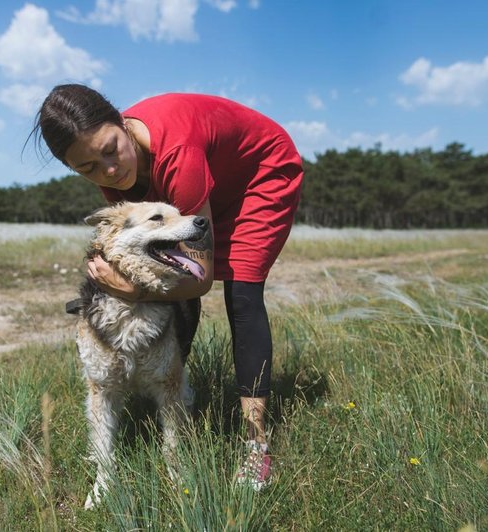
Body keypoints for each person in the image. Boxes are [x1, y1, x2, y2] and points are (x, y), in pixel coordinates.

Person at [31, 84, 303, 490]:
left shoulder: (177, 153)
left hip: (260, 172)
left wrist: (132, 292)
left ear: (122, 123)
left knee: (242, 294)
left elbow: (201, 279)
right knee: (163, 264)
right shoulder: (114, 173)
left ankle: (255, 446)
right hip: (211, 179)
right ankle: (170, 386)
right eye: (87, 167)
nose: (107, 170)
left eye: (111, 149)